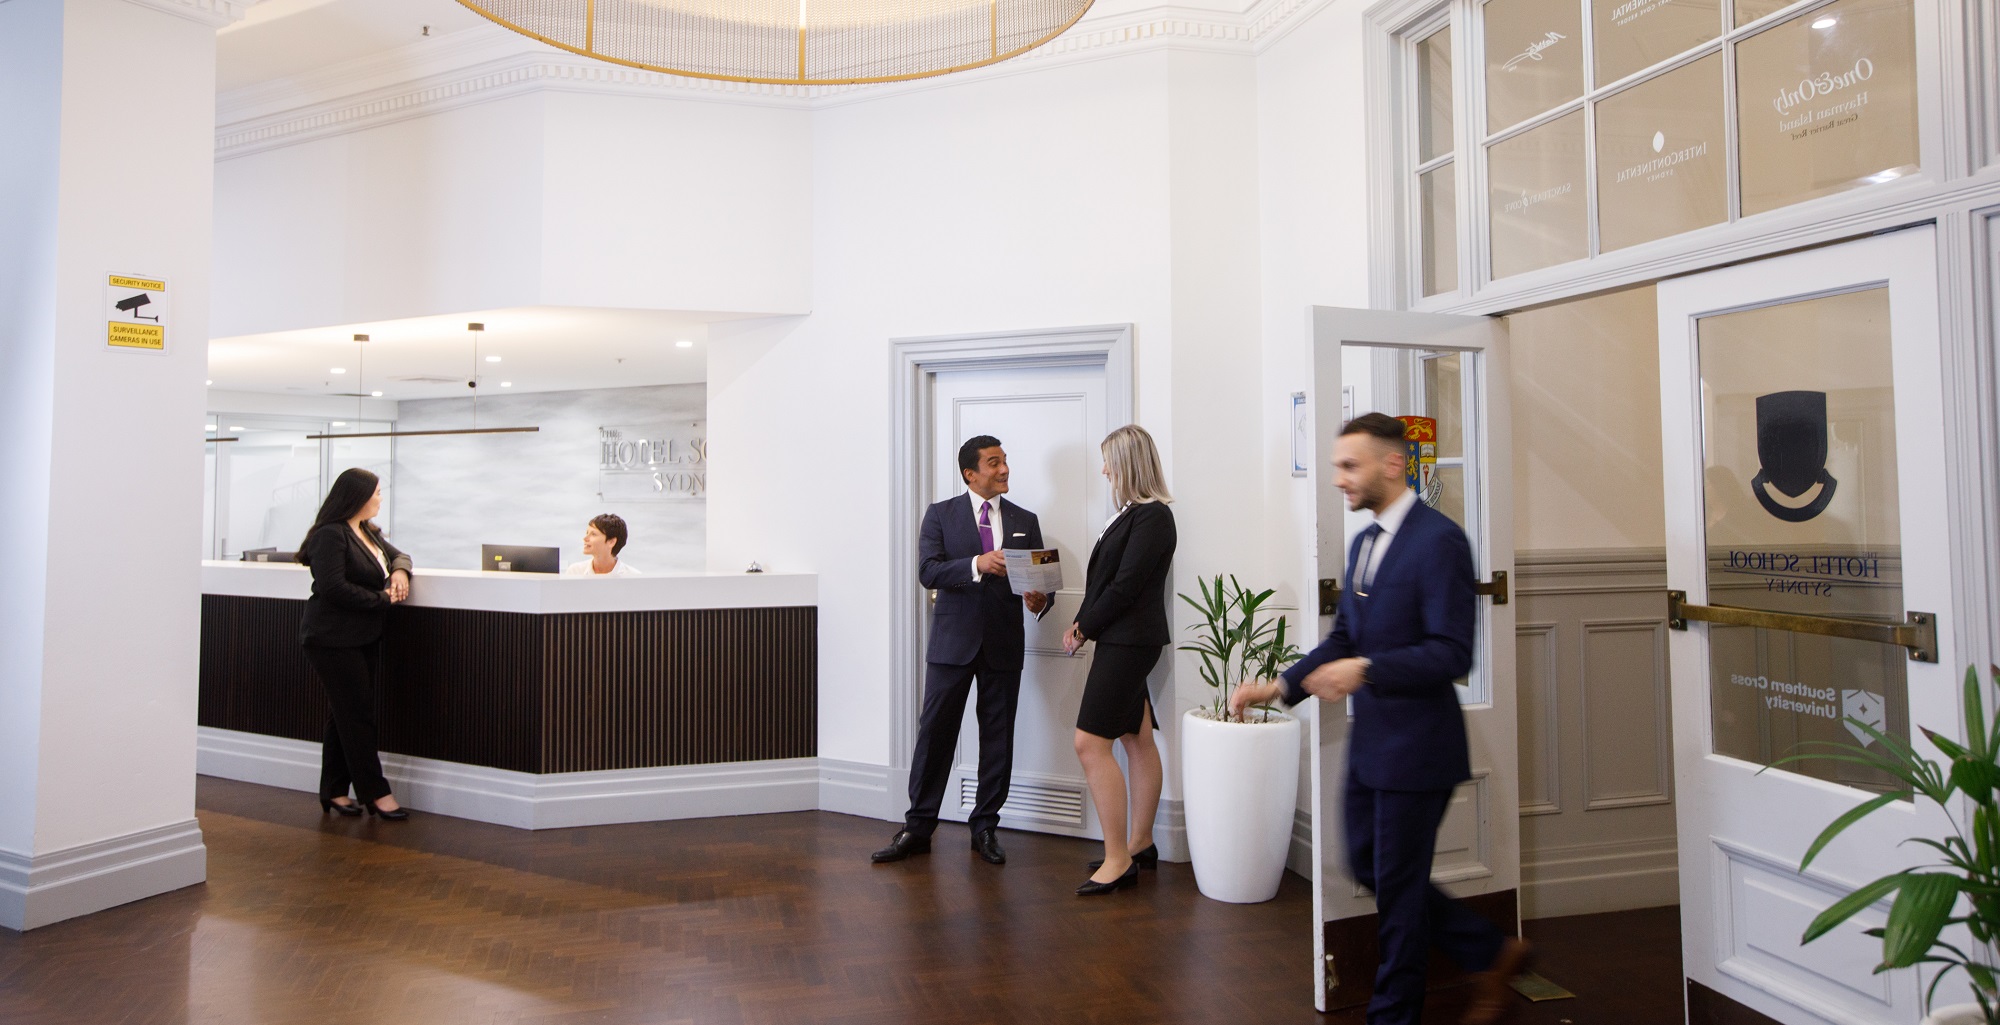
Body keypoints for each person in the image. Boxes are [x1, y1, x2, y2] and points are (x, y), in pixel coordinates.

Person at [1230, 413, 1531, 1025]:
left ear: (1392, 464)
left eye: (1349, 465)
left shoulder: (1441, 540)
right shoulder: (1365, 542)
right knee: (1366, 866)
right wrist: (1280, 685)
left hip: (1419, 750)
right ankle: (1492, 951)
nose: (1339, 478)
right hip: (1372, 746)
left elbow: (1452, 652)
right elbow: (1343, 637)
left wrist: (1365, 670)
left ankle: (1392, 1016)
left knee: (1396, 893)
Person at [873, 436, 1051, 867]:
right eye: (994, 463)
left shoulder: (1027, 519)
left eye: (1006, 461)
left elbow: (1043, 584)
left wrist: (1039, 600)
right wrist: (977, 564)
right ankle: (917, 827)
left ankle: (985, 826)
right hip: (952, 645)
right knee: (935, 734)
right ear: (970, 473)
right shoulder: (940, 514)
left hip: (1003, 646)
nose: (1005, 469)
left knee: (998, 737)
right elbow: (927, 571)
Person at [1063, 425, 1175, 896]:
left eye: (1109, 460)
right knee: (1136, 737)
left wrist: (1085, 625)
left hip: (1129, 641)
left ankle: (1117, 859)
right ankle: (1140, 843)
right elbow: (1108, 584)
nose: (1103, 468)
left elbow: (1125, 587)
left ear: (1128, 464)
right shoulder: (1132, 515)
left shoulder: (1152, 518)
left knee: (1089, 744)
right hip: (1124, 638)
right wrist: (1083, 619)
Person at [296, 467, 413, 821]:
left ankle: (333, 790)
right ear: (358, 496)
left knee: (343, 713)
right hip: (331, 638)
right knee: (357, 714)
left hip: (360, 636)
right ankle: (376, 793)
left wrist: (399, 573)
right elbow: (333, 589)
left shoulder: (367, 532)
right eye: (376, 493)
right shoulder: (330, 536)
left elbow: (401, 556)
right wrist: (384, 599)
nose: (380, 498)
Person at [566, 514, 640, 576]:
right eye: (587, 533)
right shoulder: (575, 571)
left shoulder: (633, 576)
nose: (585, 538)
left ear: (611, 542)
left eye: (593, 534)